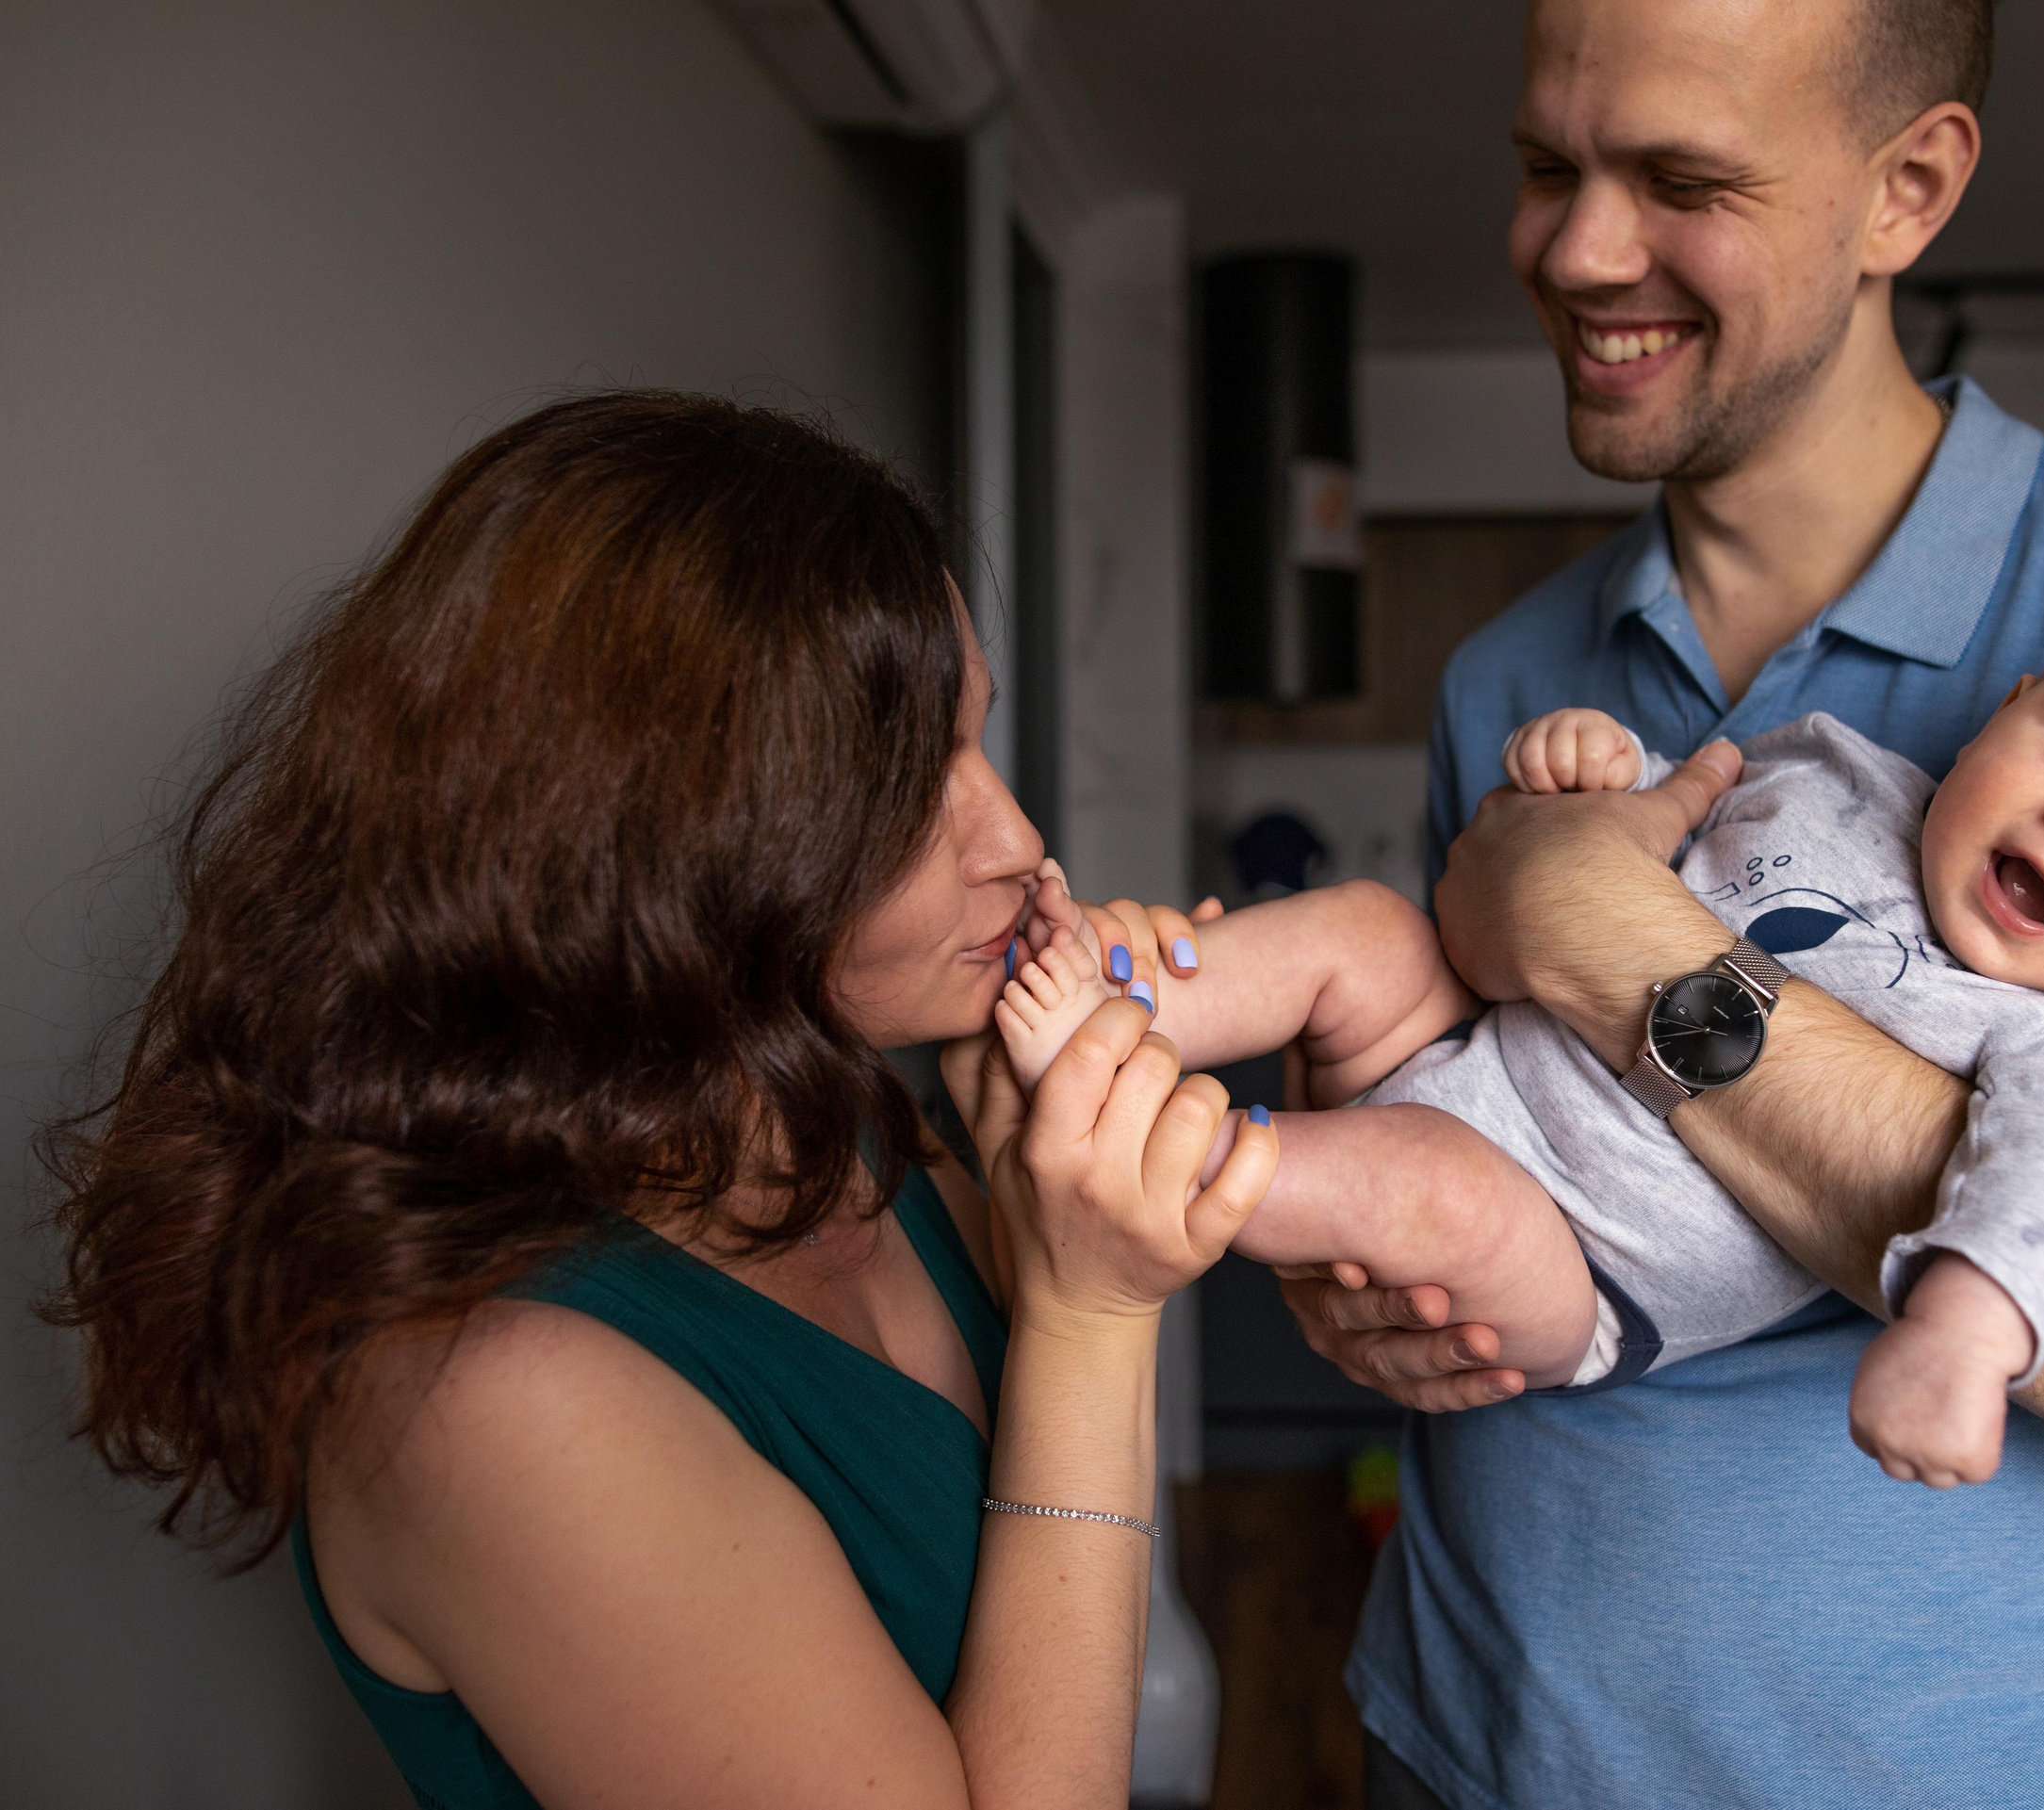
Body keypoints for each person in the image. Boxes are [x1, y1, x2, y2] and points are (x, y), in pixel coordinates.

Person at [1267, 1, 2044, 1804]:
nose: (1576, 250)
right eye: (1549, 166)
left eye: (1683, 180)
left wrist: (1616, 938)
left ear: (1911, 188)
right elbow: (1479, 1112)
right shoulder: (1512, 667)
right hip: (1462, 1735)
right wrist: (1364, 1264)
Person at [41, 392, 1266, 1810]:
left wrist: (1048, 1180)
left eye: (975, 743)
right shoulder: (487, 1400)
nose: (1018, 840)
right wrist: (1095, 1314)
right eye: (905, 783)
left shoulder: (848, 1120)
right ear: (660, 848)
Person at [996, 587, 2044, 1492]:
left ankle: (1141, 1141)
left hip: (1573, 1251)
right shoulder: (1836, 766)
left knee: (1428, 1188)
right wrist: (1590, 775)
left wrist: (1967, 1331)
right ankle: (1105, 980)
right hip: (1471, 1045)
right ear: (2015, 703)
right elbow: (1635, 833)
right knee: (1363, 926)